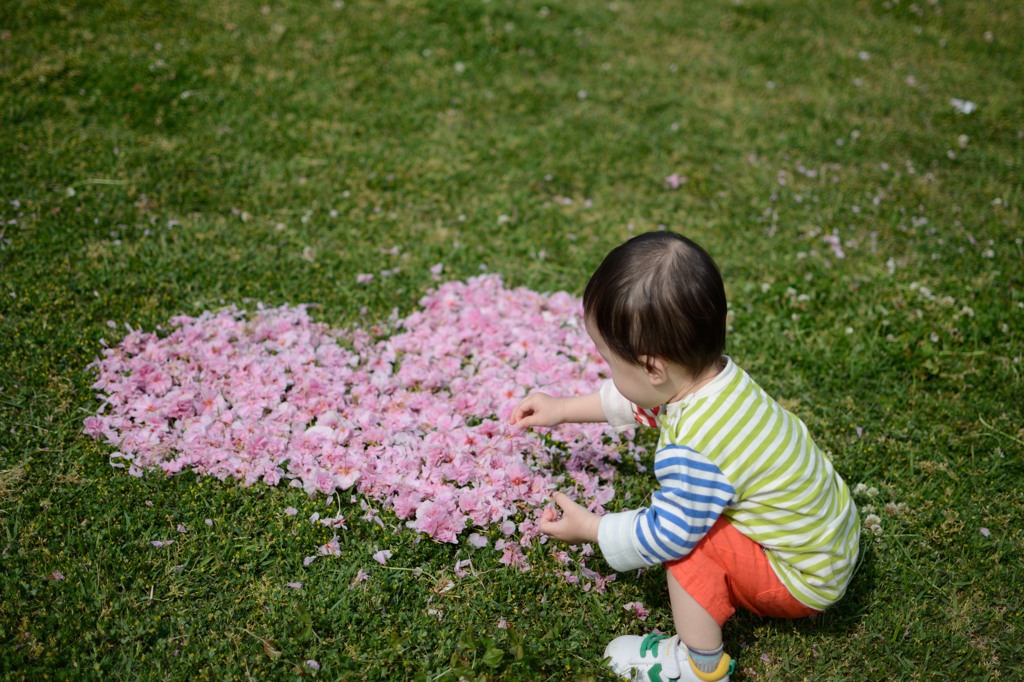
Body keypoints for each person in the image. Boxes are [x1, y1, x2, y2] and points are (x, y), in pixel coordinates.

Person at [509, 231, 860, 682]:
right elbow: (643, 402)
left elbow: (667, 535)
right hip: (830, 538)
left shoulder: (694, 448)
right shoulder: (717, 383)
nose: (610, 374)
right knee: (698, 526)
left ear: (653, 367)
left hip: (804, 578)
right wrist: (563, 409)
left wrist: (593, 530)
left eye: (612, 363)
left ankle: (699, 666)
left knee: (691, 550)